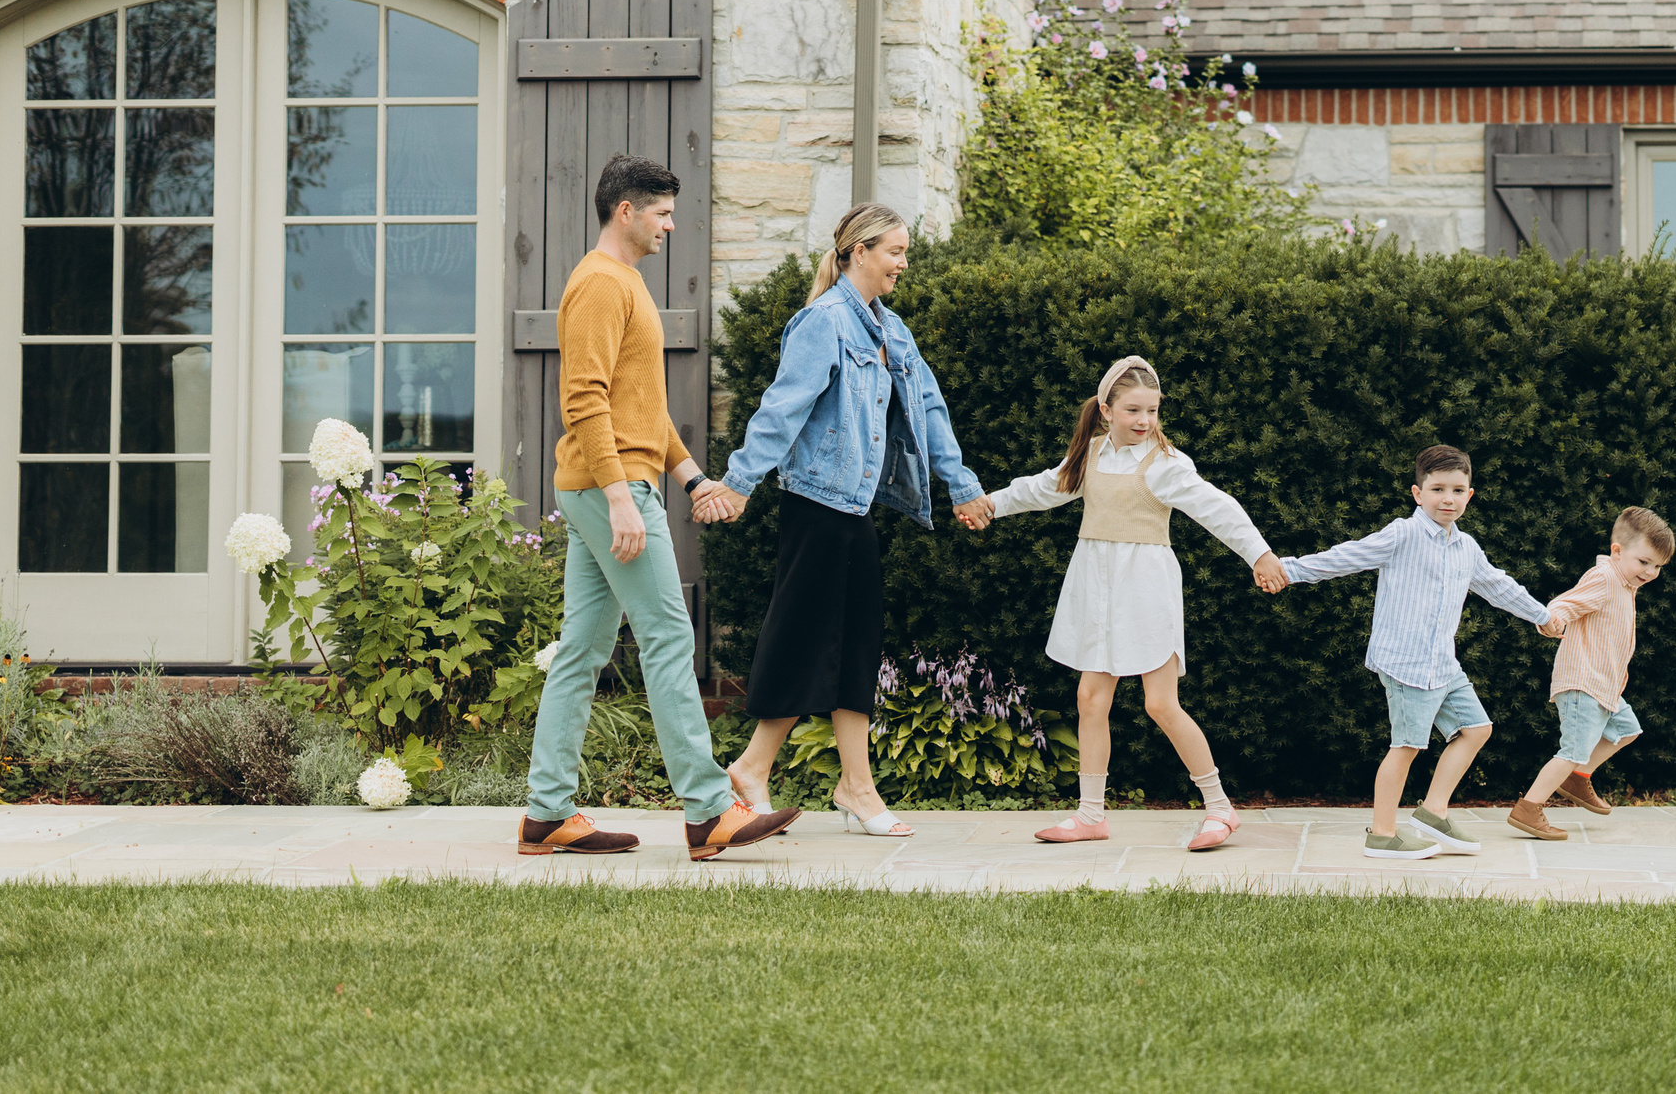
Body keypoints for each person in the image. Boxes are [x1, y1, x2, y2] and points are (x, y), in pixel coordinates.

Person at [516, 155, 800, 862]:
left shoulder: (628, 283)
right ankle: (708, 810)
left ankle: (546, 813)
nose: (672, 224)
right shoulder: (598, 285)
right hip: (605, 487)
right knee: (671, 639)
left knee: (581, 651)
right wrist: (620, 497)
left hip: (614, 482)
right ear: (626, 211)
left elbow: (643, 408)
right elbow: (583, 398)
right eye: (663, 213)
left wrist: (693, 477)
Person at [718, 204, 993, 837]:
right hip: (815, 504)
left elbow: (928, 410)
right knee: (801, 639)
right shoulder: (823, 323)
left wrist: (963, 487)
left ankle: (851, 784)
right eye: (894, 251)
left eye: (905, 252)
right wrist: (738, 484)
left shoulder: (890, 330)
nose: (903, 262)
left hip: (856, 509)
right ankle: (758, 768)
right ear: (858, 251)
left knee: (857, 649)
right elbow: (781, 411)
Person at [980, 356, 1285, 854]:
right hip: (1093, 588)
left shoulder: (1166, 463)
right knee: (1090, 700)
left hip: (1145, 588)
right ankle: (1090, 816)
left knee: (1160, 703)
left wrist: (1260, 554)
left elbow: (1217, 508)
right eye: (1133, 410)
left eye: (1153, 411)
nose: (1144, 421)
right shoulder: (1090, 454)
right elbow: (1043, 488)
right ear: (1106, 409)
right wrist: (989, 504)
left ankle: (1219, 808)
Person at [1274, 445, 1552, 861]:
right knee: (1406, 746)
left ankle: (1433, 811)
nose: (1448, 499)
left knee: (1476, 729)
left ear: (1469, 496)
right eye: (1437, 489)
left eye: (1457, 490)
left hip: (1443, 664)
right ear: (1417, 493)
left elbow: (1498, 586)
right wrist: (1286, 570)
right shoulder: (1402, 534)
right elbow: (1345, 557)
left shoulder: (1467, 548)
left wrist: (1541, 615)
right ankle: (1383, 834)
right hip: (1405, 664)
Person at [1508, 506, 1675, 841]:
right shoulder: (1604, 578)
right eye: (1644, 562)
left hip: (1606, 686)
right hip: (1583, 683)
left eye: (1658, 566)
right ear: (1617, 551)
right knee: (1572, 749)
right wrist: (1551, 619)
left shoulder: (1625, 583)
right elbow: (1566, 603)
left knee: (1626, 730)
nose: (1651, 572)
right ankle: (1529, 807)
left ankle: (1577, 777)